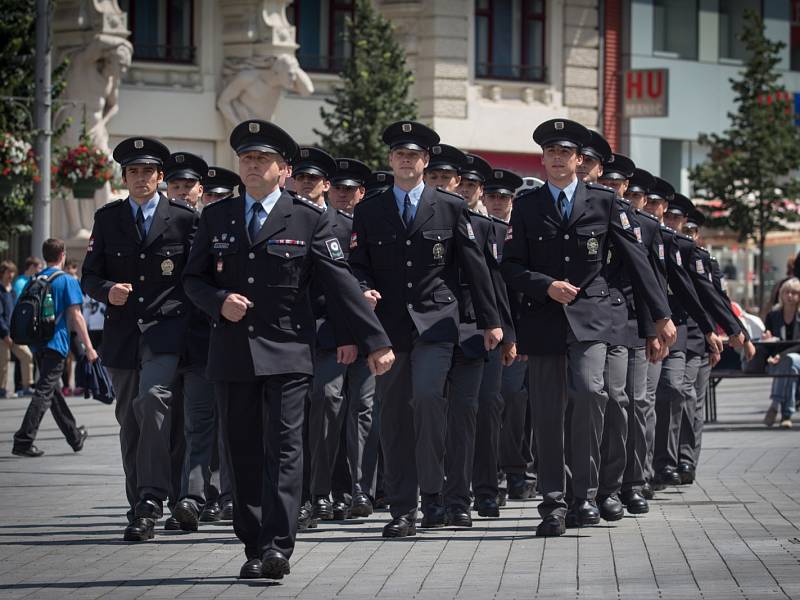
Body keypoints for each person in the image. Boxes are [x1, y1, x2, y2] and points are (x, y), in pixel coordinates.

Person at [182, 119, 394, 580]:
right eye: (246, 158)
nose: (252, 165)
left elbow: (340, 285)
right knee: (241, 452)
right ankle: (253, 540)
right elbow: (192, 280)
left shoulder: (308, 218)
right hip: (233, 353)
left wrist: (374, 340)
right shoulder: (217, 216)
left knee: (284, 449)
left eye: (262, 159)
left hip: (288, 350)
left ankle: (278, 545)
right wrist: (219, 302)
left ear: (283, 169)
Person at [500, 118, 675, 537]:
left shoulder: (605, 203)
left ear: (579, 161)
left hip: (594, 318)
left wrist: (660, 317)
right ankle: (554, 502)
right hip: (544, 320)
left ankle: (586, 494)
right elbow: (510, 266)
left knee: (591, 392)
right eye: (551, 153)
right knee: (545, 410)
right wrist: (545, 285)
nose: (557, 159)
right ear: (543, 159)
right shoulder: (526, 206)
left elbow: (638, 263)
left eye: (565, 153)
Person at [82, 136, 199, 543]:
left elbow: (196, 276)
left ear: (160, 177)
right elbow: (90, 276)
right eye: (133, 171)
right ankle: (140, 508)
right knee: (130, 421)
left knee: (153, 403)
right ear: (125, 177)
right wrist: (106, 289)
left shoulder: (183, 218)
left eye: (148, 171)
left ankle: (154, 495)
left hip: (167, 333)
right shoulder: (108, 217)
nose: (141, 178)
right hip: (123, 336)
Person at [307, 156, 378, 523]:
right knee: (326, 402)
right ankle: (321, 493)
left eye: (350, 189)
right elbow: (324, 290)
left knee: (362, 413)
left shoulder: (370, 225)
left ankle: (360, 490)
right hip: (331, 335)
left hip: (369, 336)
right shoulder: (321, 225)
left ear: (361, 193)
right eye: (337, 188)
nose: (343, 194)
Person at [12, 238, 96, 457]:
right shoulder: (67, 280)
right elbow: (76, 316)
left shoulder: (35, 279)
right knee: (44, 391)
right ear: (63, 255)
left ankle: (74, 437)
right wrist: (89, 347)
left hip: (37, 343)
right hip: (56, 343)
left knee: (52, 392)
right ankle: (23, 439)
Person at [762, 277, 800, 428]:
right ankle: (786, 415)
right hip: (777, 362)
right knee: (790, 368)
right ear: (781, 294)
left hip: (797, 358)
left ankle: (775, 404)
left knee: (790, 360)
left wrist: (782, 355)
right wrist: (768, 340)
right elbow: (767, 343)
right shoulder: (773, 316)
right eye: (787, 292)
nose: (790, 296)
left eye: (794, 293)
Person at [1, 261, 34, 399]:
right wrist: (5, 334)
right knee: (4, 360)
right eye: (8, 272)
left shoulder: (12, 291)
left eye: (13, 272)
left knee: (27, 355)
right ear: (2, 273)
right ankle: (2, 389)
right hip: (2, 333)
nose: (11, 275)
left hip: (13, 333)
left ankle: (27, 386)